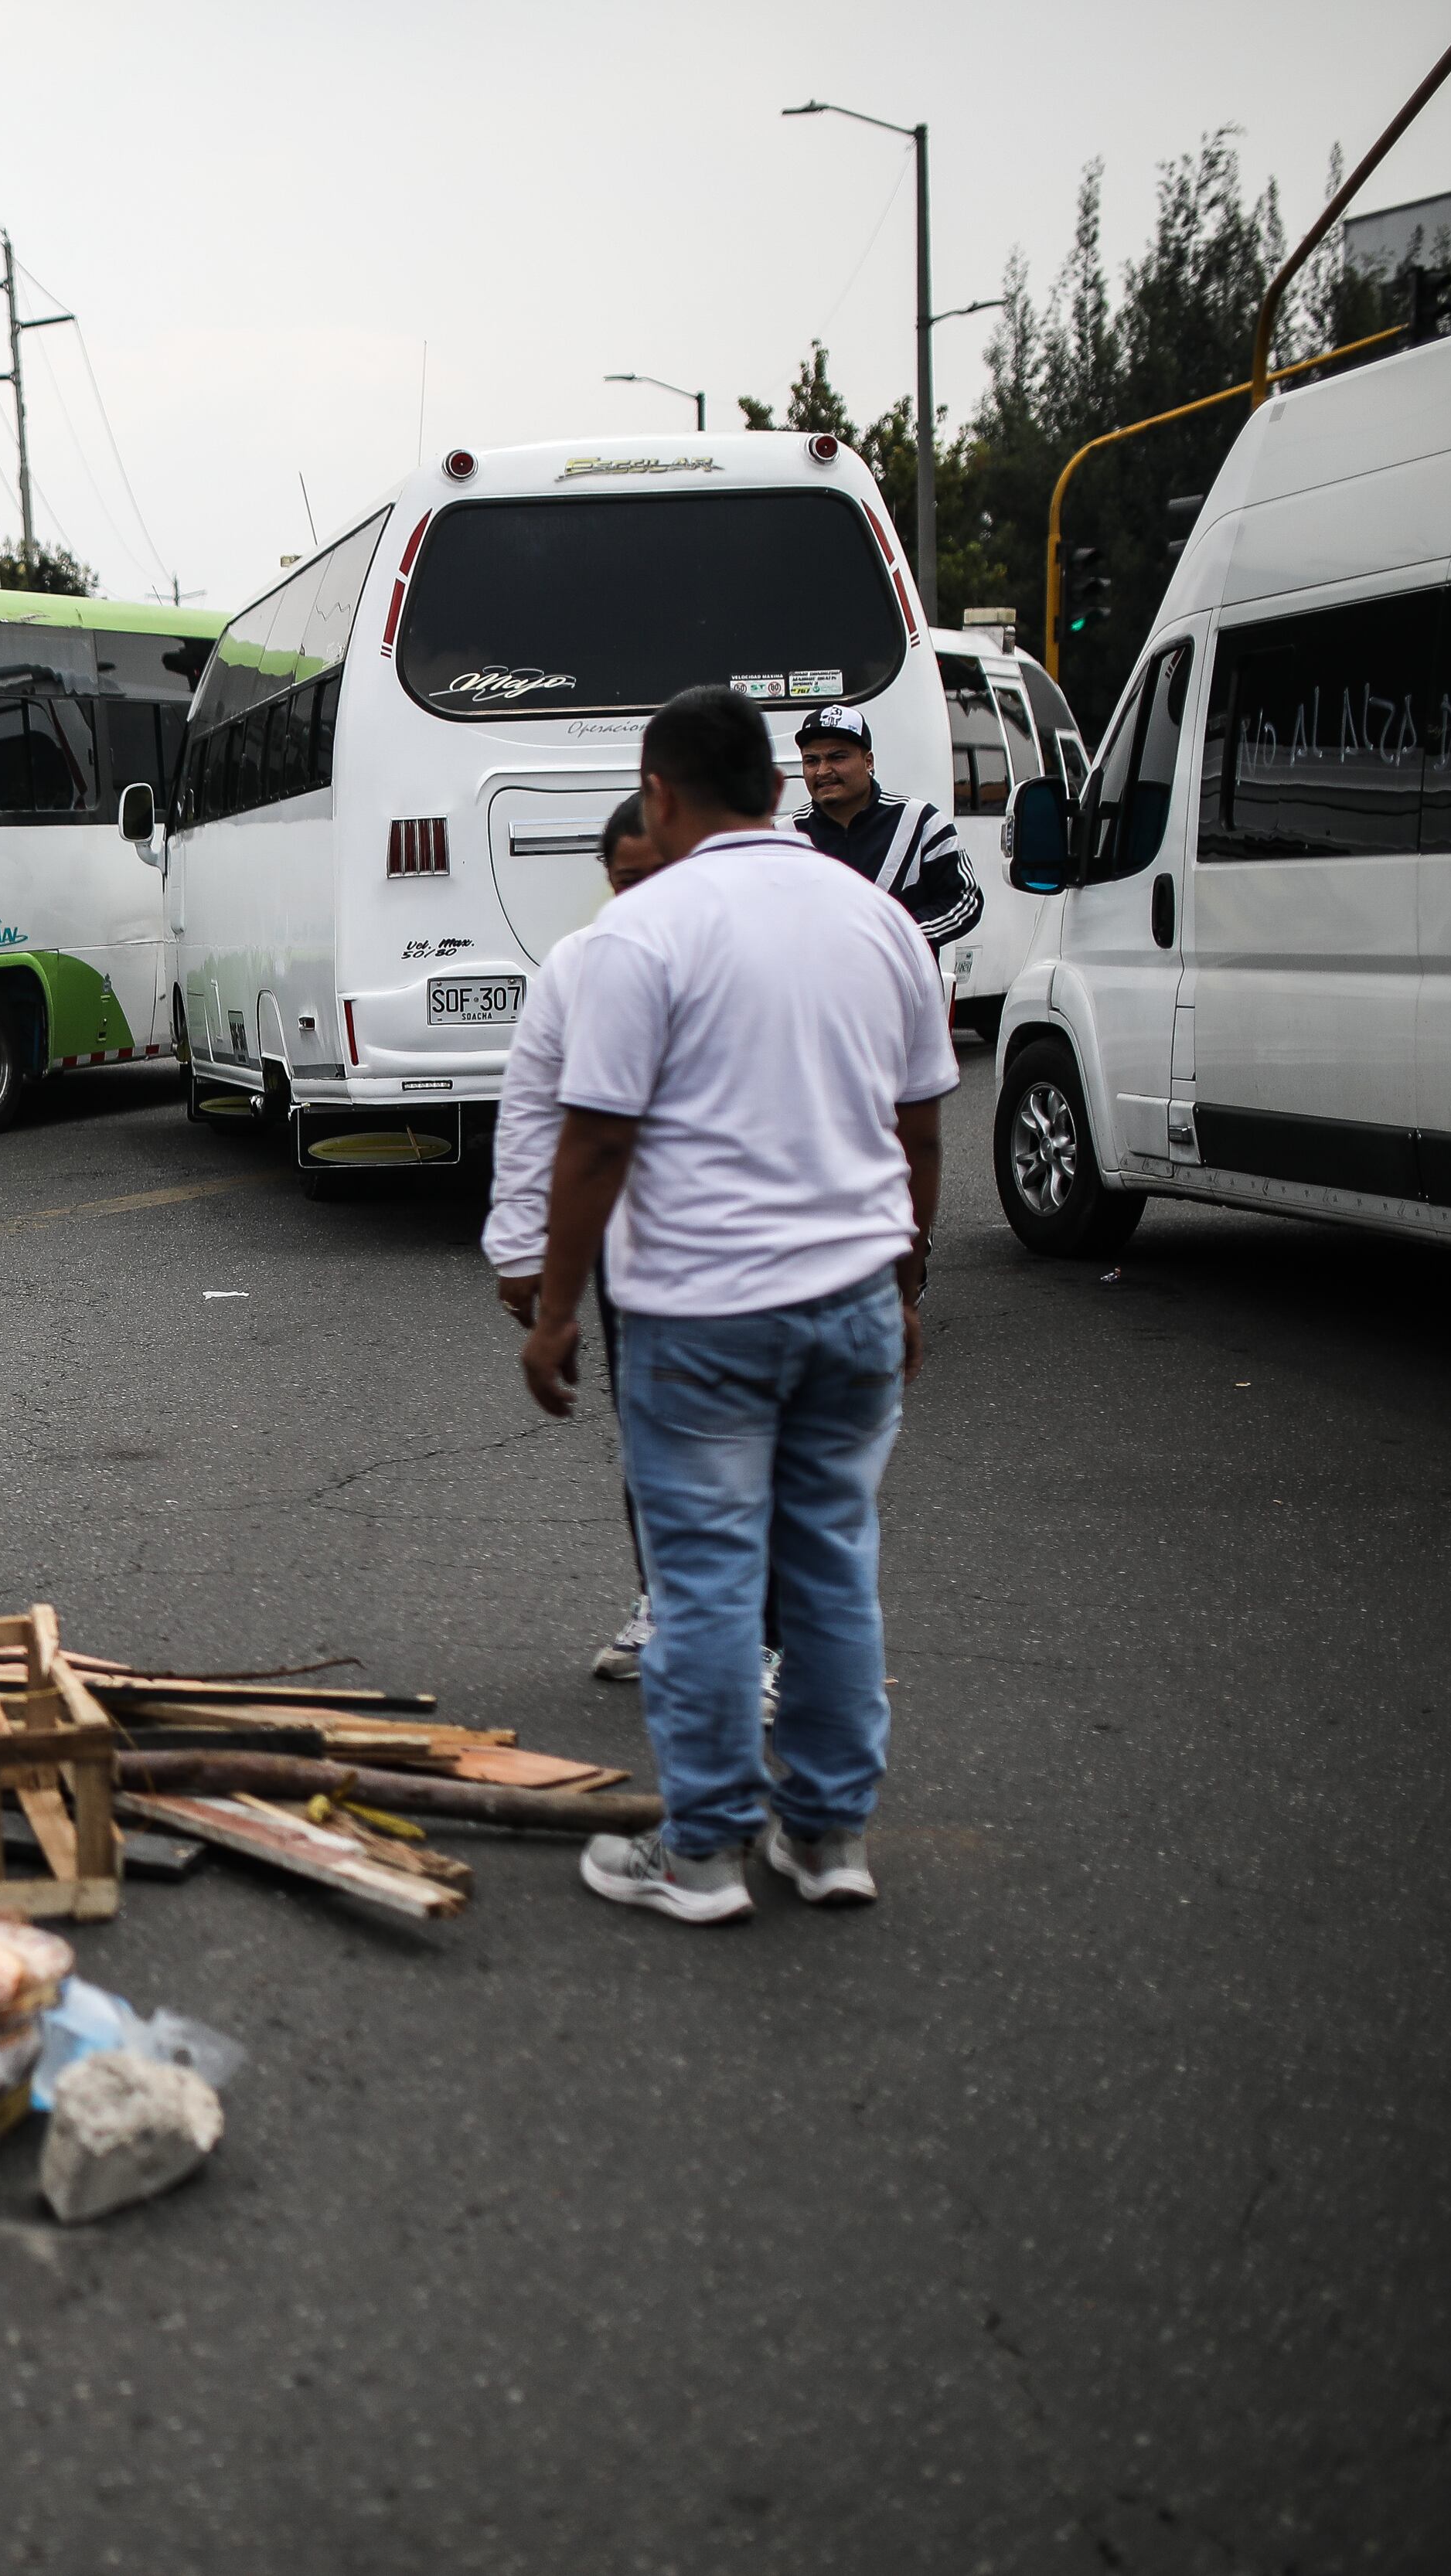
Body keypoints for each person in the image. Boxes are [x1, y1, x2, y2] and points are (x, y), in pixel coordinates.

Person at [519, 684, 954, 1925]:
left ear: (657, 795)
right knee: (830, 1568)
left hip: (698, 1316)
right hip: (853, 1299)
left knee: (707, 1582)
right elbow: (918, 1128)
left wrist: (556, 1312)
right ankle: (827, 1838)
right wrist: (906, 1281)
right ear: (775, 782)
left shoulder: (642, 933)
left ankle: (701, 1853)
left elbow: (594, 1142)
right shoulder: (876, 919)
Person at [485, 792, 667, 1680]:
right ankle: (662, 1602)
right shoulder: (585, 962)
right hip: (641, 1261)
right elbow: (536, 1111)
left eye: (654, 877)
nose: (637, 897)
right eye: (623, 880)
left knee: (768, 1468)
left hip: (777, 1266)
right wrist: (525, 1252)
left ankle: (769, 1643)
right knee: (648, 1442)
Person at [792, 702, 979, 955]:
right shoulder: (786, 835)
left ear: (868, 761)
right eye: (811, 760)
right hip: (814, 990)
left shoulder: (921, 821)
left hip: (899, 988)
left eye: (838, 757)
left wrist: (896, 936)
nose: (823, 771)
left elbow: (965, 900)